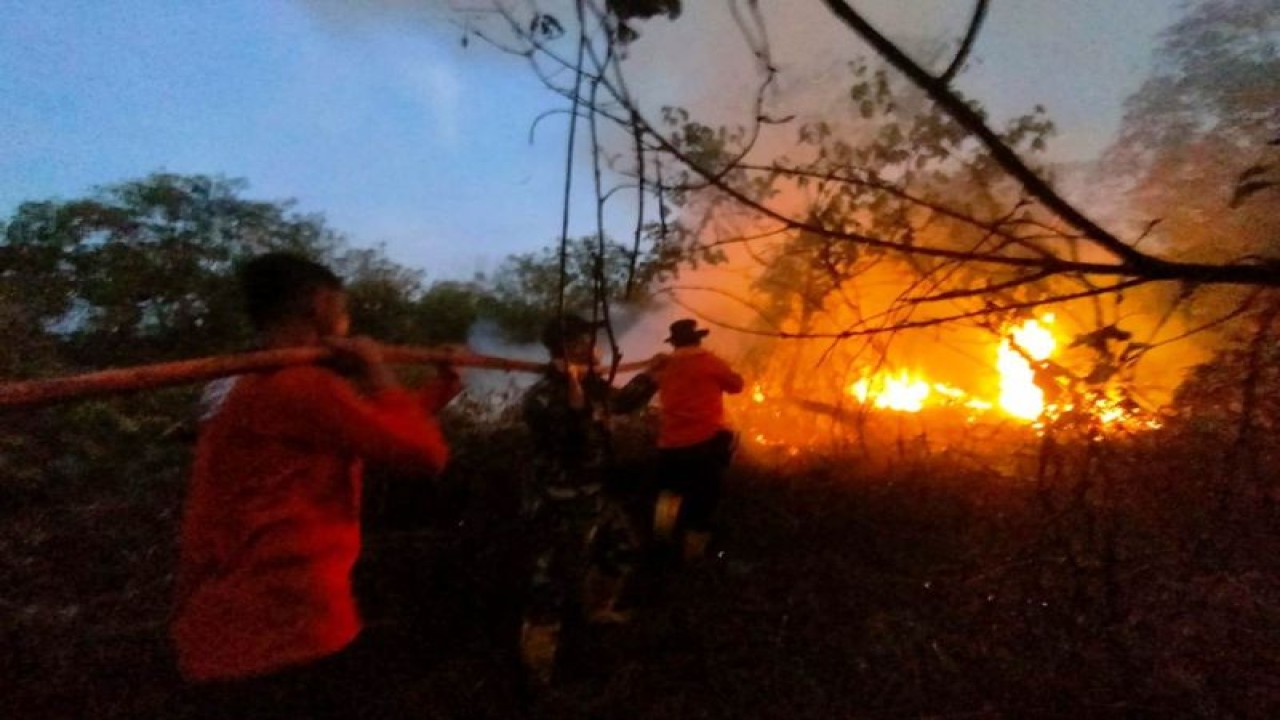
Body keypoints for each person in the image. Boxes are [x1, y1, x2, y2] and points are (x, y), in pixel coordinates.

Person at [171, 252, 461, 718]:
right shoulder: (300, 385)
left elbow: (371, 429)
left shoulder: (232, 382)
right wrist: (376, 369)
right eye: (343, 308)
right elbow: (425, 454)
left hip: (219, 623)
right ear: (320, 303)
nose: (347, 321)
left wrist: (443, 386)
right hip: (289, 627)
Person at [518, 313, 661, 685]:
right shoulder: (543, 397)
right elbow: (574, 436)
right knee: (551, 580)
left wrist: (653, 375)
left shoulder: (594, 386)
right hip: (557, 503)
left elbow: (625, 402)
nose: (596, 348)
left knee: (622, 547)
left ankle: (597, 609)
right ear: (571, 346)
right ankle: (538, 661)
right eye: (587, 340)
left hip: (594, 496)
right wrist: (575, 393)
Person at [649, 318, 744, 562]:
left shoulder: (663, 367)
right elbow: (737, 385)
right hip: (703, 445)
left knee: (670, 493)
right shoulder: (709, 362)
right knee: (703, 502)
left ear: (674, 343)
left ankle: (661, 540)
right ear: (698, 340)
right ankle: (693, 558)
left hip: (668, 446)